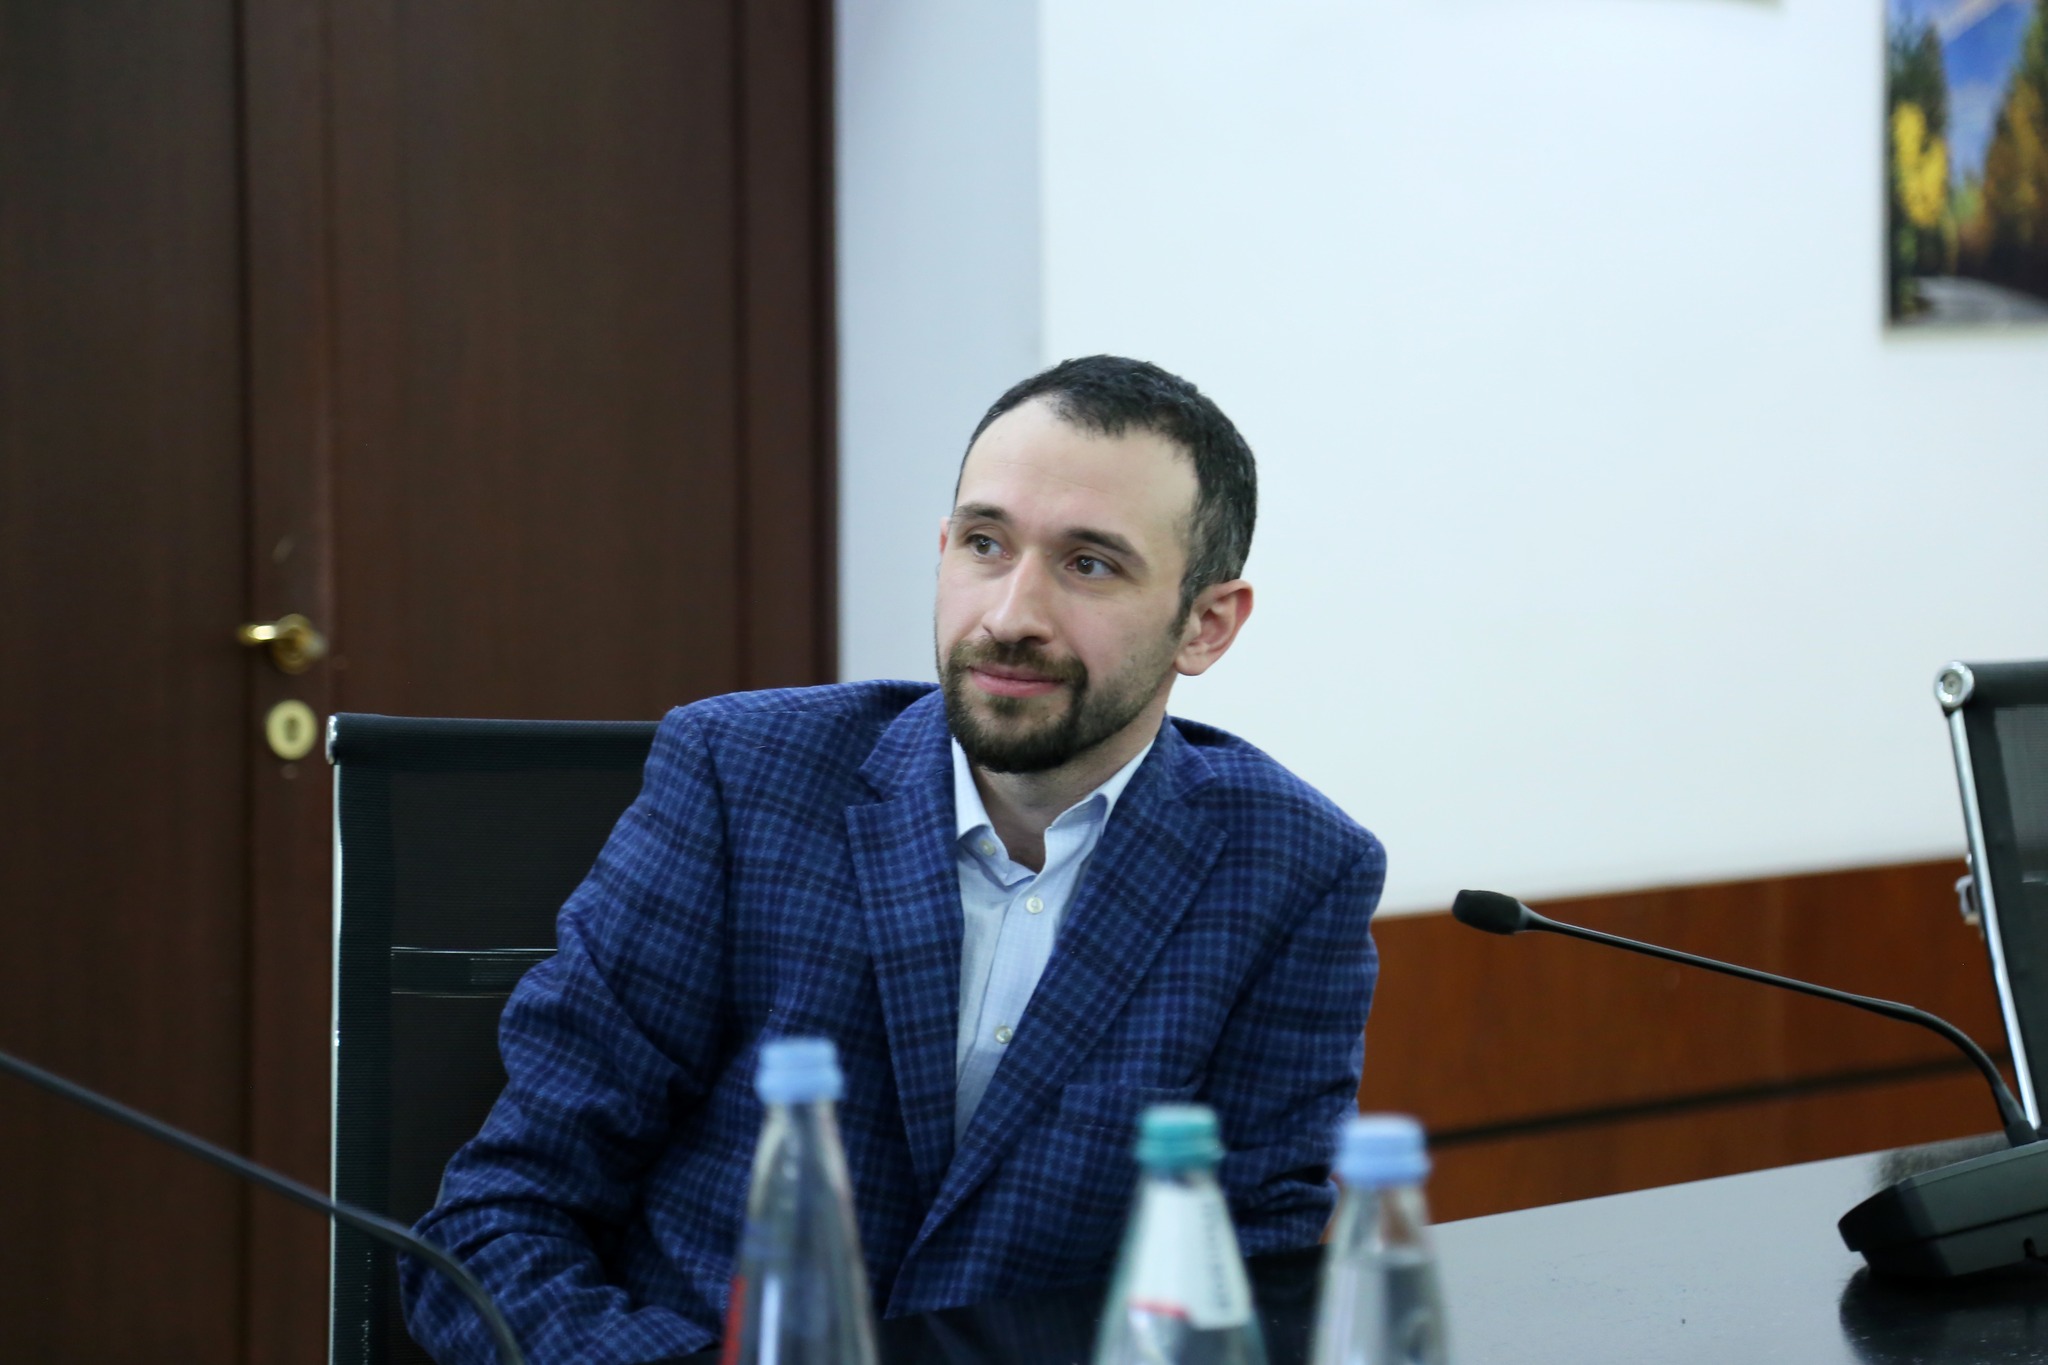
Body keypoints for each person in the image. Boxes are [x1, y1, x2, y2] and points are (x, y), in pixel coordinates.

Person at [402, 355, 1385, 1364]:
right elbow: (497, 1222)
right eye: (985, 544)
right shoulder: (743, 777)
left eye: (1089, 564)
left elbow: (1246, 1284)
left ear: (1206, 625)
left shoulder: (1292, 869)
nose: (1009, 615)